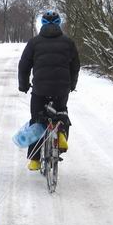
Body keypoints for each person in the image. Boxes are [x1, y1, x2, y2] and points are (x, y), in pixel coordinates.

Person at [18, 9, 80, 170]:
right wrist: (71, 85)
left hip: (40, 89)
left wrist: (23, 85)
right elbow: (75, 67)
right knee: (61, 114)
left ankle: (35, 160)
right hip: (61, 89)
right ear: (59, 24)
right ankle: (60, 135)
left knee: (37, 120)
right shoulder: (68, 42)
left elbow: (23, 66)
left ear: (42, 25)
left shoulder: (34, 43)